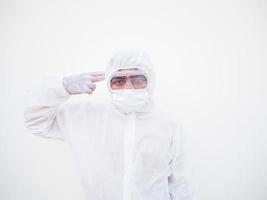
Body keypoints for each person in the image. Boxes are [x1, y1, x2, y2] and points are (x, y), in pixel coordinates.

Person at [24, 48, 195, 200]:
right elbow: (36, 121)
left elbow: (181, 184)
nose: (128, 86)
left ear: (151, 81)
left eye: (138, 79)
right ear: (109, 84)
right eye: (119, 80)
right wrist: (61, 87)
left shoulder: (168, 125)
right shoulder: (84, 117)